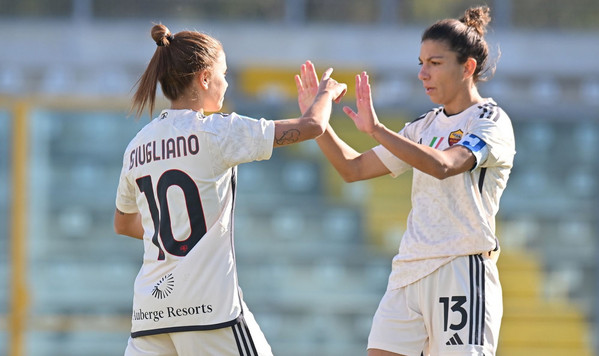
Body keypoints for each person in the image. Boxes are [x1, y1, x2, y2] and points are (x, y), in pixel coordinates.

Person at [113, 24, 346, 356]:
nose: (227, 83)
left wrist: (176, 231)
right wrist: (325, 93)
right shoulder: (218, 132)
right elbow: (313, 126)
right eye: (224, 73)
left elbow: (123, 224)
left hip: (151, 315)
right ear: (205, 78)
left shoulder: (137, 146)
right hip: (210, 312)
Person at [296, 6, 515, 356]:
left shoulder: (491, 121)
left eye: (435, 63)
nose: (423, 74)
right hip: (409, 270)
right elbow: (352, 169)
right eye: (421, 63)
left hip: (461, 269)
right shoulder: (422, 127)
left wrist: (378, 130)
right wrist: (317, 120)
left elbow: (446, 165)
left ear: (468, 67)